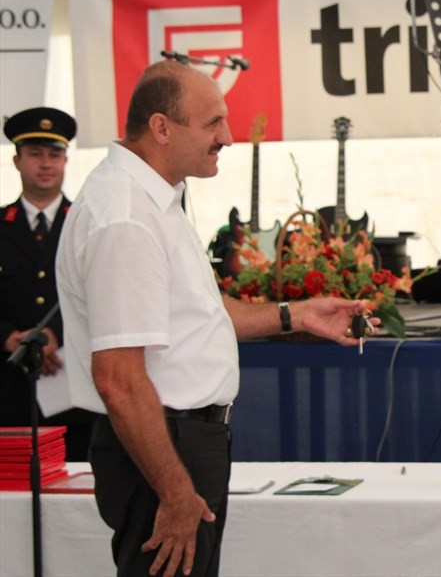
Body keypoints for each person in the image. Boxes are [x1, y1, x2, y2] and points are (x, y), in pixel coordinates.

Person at [57, 60, 376, 577]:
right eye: (213, 123)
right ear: (162, 127)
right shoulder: (125, 217)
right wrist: (175, 492)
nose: (227, 137)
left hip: (180, 443)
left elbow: (199, 315)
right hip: (163, 448)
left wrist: (297, 315)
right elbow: (118, 379)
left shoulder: (154, 199)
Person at [1, 107, 96, 461]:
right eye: (35, 154)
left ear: (66, 160)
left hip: (72, 392)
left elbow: (102, 295)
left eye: (54, 155)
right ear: (17, 160)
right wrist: (7, 336)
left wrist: (56, 333)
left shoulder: (88, 225)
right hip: (9, 389)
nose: (45, 163)